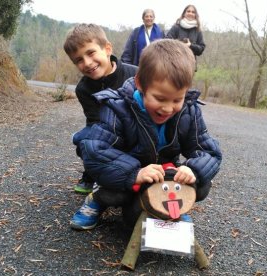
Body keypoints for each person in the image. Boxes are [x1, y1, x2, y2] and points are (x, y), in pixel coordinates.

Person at [70, 39, 222, 230]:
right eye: (159, 98)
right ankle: (97, 200)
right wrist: (135, 173)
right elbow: (95, 150)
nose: (168, 108)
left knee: (201, 185)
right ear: (140, 83)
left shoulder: (188, 110)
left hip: (162, 174)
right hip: (128, 174)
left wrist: (193, 170)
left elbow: (209, 151)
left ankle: (171, 211)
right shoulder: (117, 108)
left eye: (177, 99)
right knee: (118, 198)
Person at [63, 23, 137, 194]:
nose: (87, 63)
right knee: (85, 141)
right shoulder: (83, 89)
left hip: (139, 133)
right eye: (79, 60)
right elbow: (95, 124)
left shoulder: (136, 75)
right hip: (109, 134)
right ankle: (93, 174)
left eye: (91, 53)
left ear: (107, 49)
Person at [165, 4, 205, 71]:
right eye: (188, 11)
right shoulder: (176, 27)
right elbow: (166, 41)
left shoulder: (198, 30)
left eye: (193, 12)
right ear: (184, 13)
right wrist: (179, 44)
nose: (190, 13)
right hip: (174, 65)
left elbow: (201, 49)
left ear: (195, 15)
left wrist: (190, 45)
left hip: (190, 67)